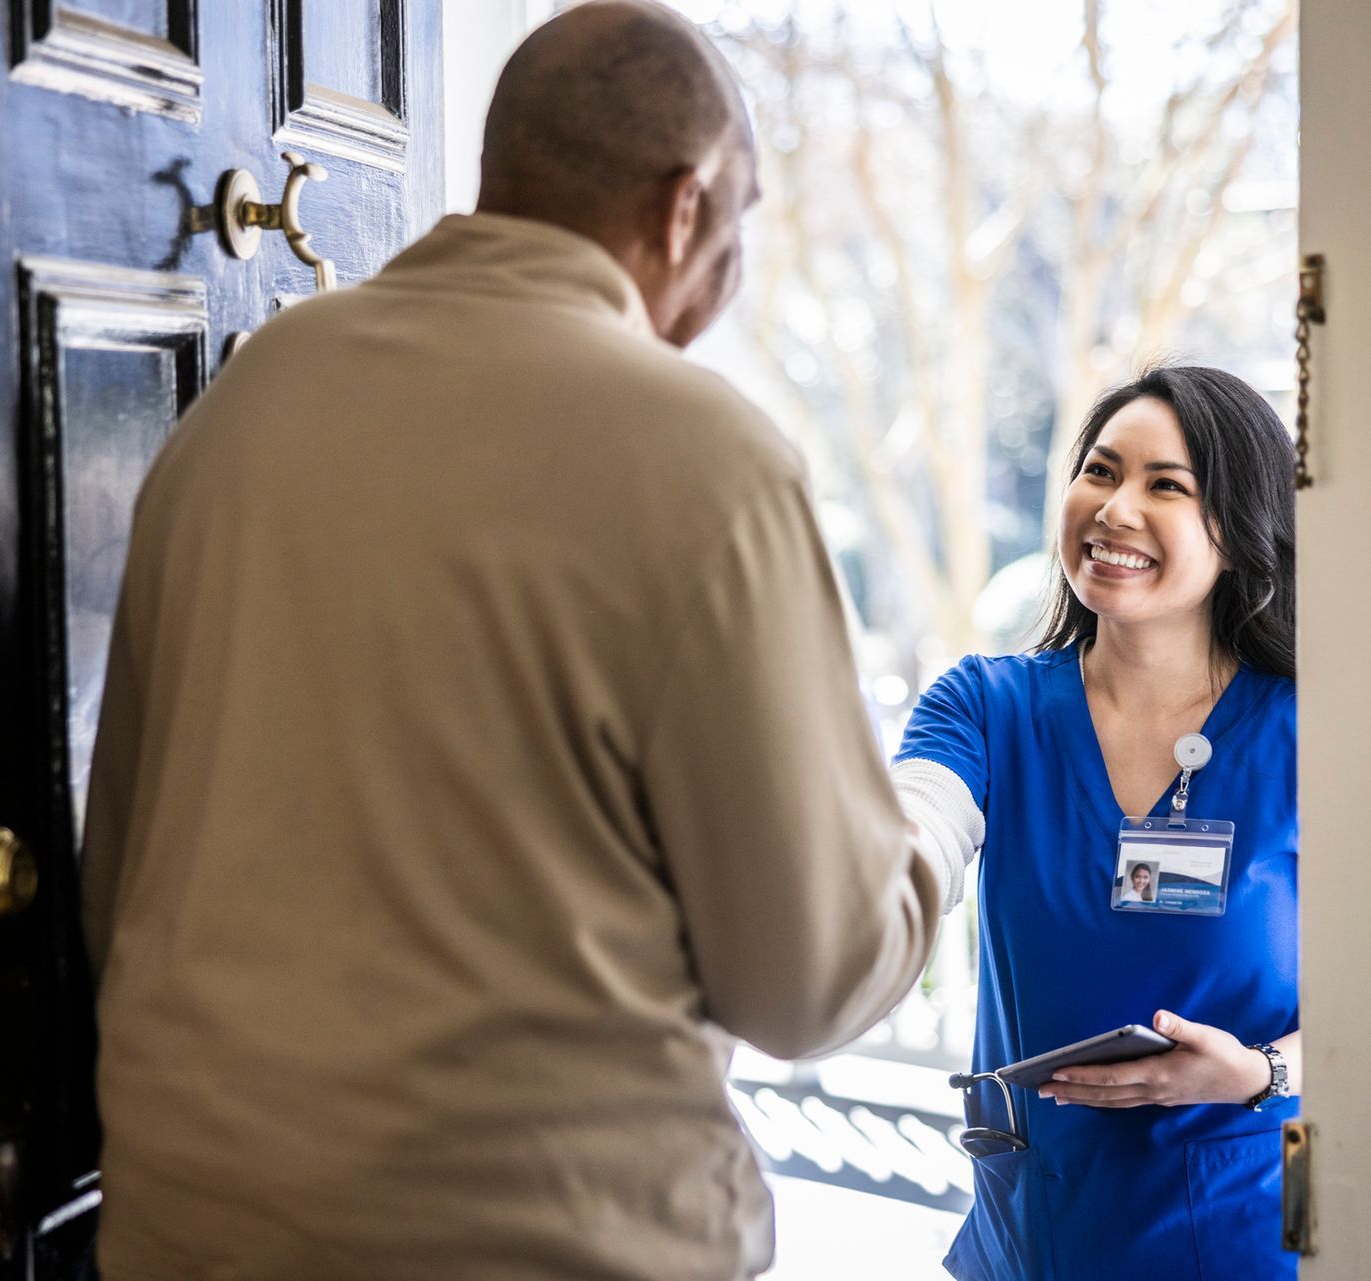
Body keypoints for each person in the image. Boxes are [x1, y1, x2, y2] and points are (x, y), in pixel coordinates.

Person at [78, 5, 949, 1279]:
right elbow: (809, 980)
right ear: (685, 207)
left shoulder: (246, 402)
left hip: (187, 1228)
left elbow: (120, 881)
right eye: (744, 220)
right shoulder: (707, 463)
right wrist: (935, 819)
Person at [896, 366, 1301, 1280]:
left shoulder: (1310, 731)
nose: (1115, 508)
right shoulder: (987, 706)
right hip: (1037, 1235)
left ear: (1236, 531)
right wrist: (883, 882)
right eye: (1100, 470)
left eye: (1166, 485)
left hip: (1239, 1242)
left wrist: (1258, 1071)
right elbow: (917, 831)